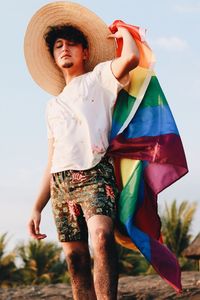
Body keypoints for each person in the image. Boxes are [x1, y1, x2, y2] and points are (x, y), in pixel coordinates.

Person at [24, 2, 139, 299]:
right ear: (52, 55)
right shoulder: (52, 106)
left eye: (72, 44)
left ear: (85, 52)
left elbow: (132, 57)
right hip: (60, 183)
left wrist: (123, 29)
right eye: (59, 45)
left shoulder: (99, 78)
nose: (65, 49)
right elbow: (51, 159)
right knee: (75, 259)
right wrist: (37, 206)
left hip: (95, 172)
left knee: (101, 237)